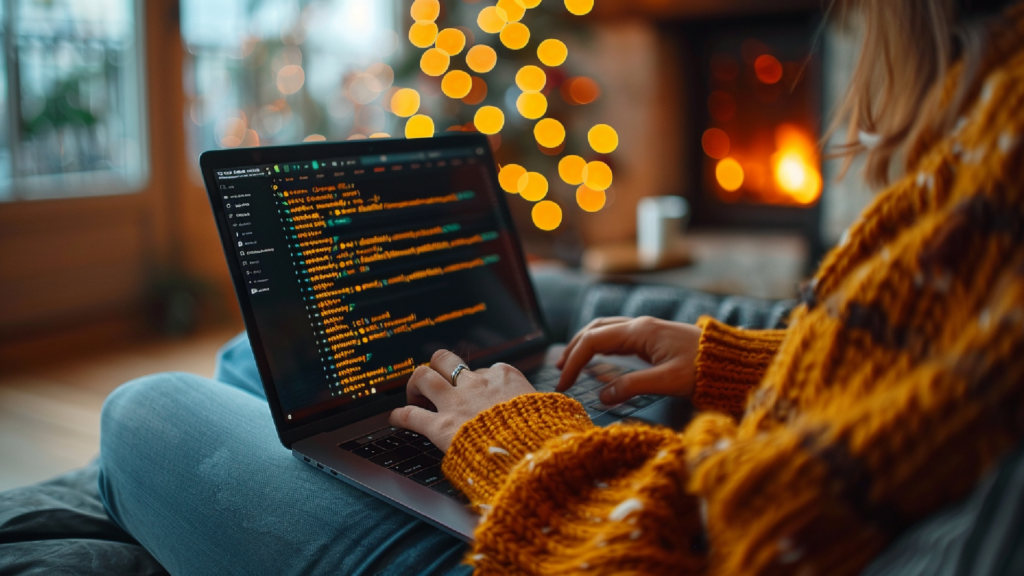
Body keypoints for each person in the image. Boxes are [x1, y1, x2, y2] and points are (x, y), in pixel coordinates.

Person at [98, 0, 1024, 573]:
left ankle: (357, 470)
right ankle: (361, 461)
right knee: (276, 375)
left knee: (146, 410)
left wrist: (511, 441)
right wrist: (741, 361)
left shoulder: (1006, 150)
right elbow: (936, 378)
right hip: (676, 486)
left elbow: (735, 547)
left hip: (576, 543)